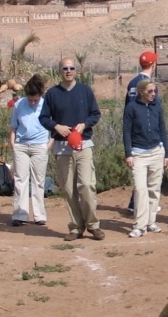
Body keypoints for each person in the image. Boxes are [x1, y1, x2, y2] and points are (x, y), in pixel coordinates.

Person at [39, 57, 105, 241]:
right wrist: (56, 127)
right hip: (62, 147)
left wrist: (84, 124)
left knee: (86, 185)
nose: (68, 71)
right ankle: (76, 227)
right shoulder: (52, 94)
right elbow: (43, 118)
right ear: (59, 71)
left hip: (83, 145)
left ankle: (93, 225)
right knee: (68, 190)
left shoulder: (85, 91)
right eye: (65, 68)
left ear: (76, 70)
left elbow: (95, 114)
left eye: (71, 68)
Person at [123, 79, 168, 237]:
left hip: (157, 151)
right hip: (138, 154)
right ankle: (139, 225)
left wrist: (167, 154)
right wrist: (128, 154)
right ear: (141, 91)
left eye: (154, 91)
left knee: (154, 189)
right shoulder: (132, 107)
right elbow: (127, 132)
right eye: (150, 91)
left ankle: (151, 222)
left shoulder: (157, 106)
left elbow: (163, 129)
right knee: (140, 189)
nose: (153, 94)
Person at [9, 73, 51, 227]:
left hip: (40, 146)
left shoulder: (47, 104)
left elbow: (53, 127)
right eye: (30, 99)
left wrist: (47, 146)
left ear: (41, 95)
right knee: (20, 180)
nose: (32, 102)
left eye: (36, 99)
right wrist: (14, 144)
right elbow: (14, 126)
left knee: (38, 181)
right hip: (21, 145)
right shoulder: (19, 104)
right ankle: (20, 214)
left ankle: (39, 215)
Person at [125, 50, 158, 213]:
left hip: (132, 126)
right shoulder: (148, 83)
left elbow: (127, 106)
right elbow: (154, 107)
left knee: (140, 171)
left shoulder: (132, 82)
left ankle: (134, 203)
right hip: (144, 127)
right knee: (147, 171)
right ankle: (141, 204)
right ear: (153, 64)